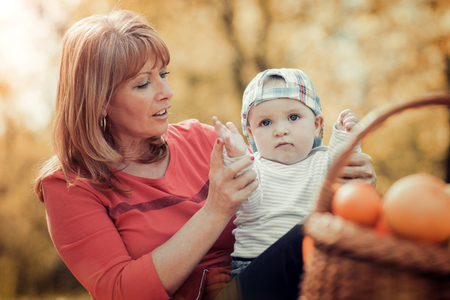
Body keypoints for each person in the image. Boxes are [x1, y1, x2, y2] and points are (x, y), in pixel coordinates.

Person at [34, 10, 376, 300]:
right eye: (143, 84)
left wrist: (345, 185)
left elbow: (289, 190)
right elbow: (121, 291)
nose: (167, 93)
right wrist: (216, 209)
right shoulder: (69, 187)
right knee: (313, 236)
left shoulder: (203, 139)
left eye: (163, 75)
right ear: (97, 100)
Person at [213, 68, 363, 275]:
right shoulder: (254, 166)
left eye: (293, 117)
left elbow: (345, 174)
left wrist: (348, 136)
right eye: (265, 123)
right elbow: (249, 199)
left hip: (315, 262)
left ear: (317, 124)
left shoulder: (322, 161)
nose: (280, 130)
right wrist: (237, 156)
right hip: (255, 265)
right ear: (250, 133)